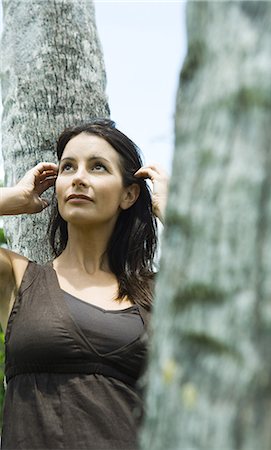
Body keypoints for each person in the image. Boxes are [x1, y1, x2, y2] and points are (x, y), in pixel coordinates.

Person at [0, 119, 169, 450]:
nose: (78, 178)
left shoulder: (160, 293)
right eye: (67, 167)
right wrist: (12, 197)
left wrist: (173, 213)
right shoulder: (18, 278)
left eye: (98, 167)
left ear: (129, 194)